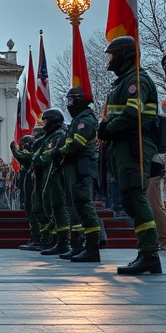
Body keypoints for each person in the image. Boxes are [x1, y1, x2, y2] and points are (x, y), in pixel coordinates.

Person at [97, 35, 162, 275]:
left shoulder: (136, 80)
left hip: (134, 144)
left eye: (113, 55)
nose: (110, 60)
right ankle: (146, 251)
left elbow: (132, 114)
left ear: (124, 55)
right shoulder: (123, 82)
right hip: (122, 145)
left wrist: (107, 128)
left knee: (135, 196)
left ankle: (150, 254)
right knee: (129, 199)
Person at [59, 87, 102, 262]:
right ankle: (80, 244)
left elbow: (77, 143)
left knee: (85, 206)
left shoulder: (86, 120)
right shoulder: (77, 121)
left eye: (71, 101)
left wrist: (59, 152)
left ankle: (92, 247)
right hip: (73, 168)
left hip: (82, 167)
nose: (69, 105)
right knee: (76, 209)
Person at [35, 109, 74, 255]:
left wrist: (37, 160)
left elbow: (48, 155)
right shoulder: (51, 135)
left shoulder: (58, 134)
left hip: (55, 172)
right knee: (51, 205)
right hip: (49, 172)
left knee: (58, 205)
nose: (43, 123)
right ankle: (55, 239)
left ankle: (64, 241)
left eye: (45, 120)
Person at [11, 135, 38, 247]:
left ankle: (38, 236)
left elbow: (23, 156)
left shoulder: (32, 154)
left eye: (23, 144)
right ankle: (34, 235)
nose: (21, 146)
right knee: (29, 210)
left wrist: (15, 149)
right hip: (26, 187)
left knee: (34, 211)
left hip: (33, 188)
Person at [147, 154, 166, 250]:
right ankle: (163, 237)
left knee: (155, 205)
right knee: (154, 205)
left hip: (151, 169)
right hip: (150, 166)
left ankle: (164, 238)